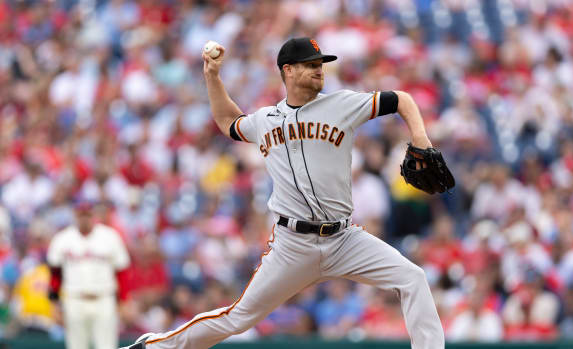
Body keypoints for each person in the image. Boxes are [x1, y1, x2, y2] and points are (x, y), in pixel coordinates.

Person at [123, 37, 444, 349]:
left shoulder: (343, 103)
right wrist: (212, 76)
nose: (320, 70)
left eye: (321, 64)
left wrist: (421, 139)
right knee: (237, 318)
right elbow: (228, 121)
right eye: (311, 65)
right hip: (294, 245)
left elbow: (401, 99)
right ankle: (153, 347)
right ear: (288, 70)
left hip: (345, 239)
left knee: (412, 278)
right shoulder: (266, 120)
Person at [48, 201, 130, 349]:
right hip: (74, 299)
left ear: (93, 215)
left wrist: (123, 301)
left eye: (87, 214)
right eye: (81, 215)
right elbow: (55, 274)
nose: (84, 218)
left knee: (107, 346)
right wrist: (54, 304)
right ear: (75, 216)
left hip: (104, 298)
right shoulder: (63, 238)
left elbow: (121, 272)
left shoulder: (110, 237)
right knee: (76, 346)